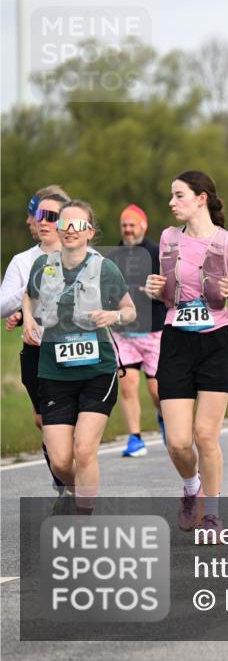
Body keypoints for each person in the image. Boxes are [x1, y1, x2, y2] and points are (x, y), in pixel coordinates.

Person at [141, 171, 228, 539]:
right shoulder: (168, 239)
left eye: (179, 195)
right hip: (176, 342)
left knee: (205, 435)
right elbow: (168, 293)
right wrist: (155, 289)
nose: (171, 202)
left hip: (216, 343)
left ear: (201, 198)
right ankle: (192, 487)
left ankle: (213, 517)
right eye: (171, 195)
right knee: (177, 442)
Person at [22, 200, 136, 513]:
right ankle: (83, 491)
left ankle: (84, 518)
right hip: (54, 371)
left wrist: (113, 316)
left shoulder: (105, 268)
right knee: (60, 462)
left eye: (78, 225)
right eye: (65, 224)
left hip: (97, 371)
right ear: (57, 229)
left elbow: (130, 310)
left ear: (90, 232)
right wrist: (28, 318)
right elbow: (29, 296)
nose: (70, 230)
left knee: (84, 451)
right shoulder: (43, 265)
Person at [2, 187, 71, 492]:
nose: (42, 221)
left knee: (74, 424)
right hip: (37, 352)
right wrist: (31, 285)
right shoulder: (22, 261)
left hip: (75, 349)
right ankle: (63, 483)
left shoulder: (80, 256)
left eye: (51, 216)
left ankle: (77, 484)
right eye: (40, 215)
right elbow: (2, 305)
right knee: (44, 420)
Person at [107, 204, 167, 457]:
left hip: (154, 331)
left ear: (143, 226)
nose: (128, 229)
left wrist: (155, 292)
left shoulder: (157, 253)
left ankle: (164, 417)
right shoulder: (112, 257)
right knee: (128, 386)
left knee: (157, 391)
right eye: (124, 225)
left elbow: (169, 288)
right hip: (124, 333)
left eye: (132, 225)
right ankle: (135, 438)